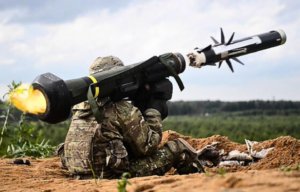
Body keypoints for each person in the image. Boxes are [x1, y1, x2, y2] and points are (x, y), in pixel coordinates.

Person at [57, 56, 204, 179]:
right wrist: (153, 111)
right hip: (112, 177)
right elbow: (148, 147)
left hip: (80, 174)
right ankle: (200, 182)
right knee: (178, 147)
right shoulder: (119, 108)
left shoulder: (80, 106)